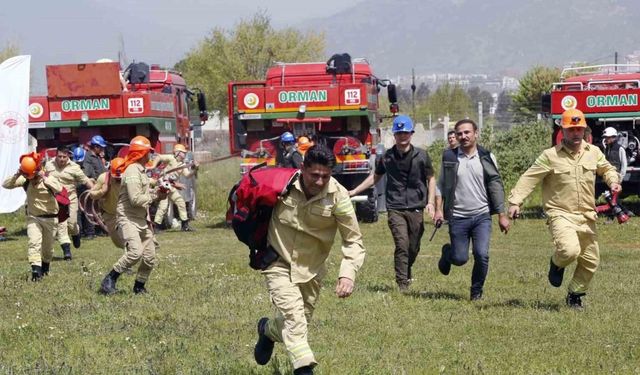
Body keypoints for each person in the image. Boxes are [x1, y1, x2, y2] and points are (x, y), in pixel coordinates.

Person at [253, 145, 366, 375]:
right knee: (295, 320)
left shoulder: (339, 197)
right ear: (302, 169)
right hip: (277, 262)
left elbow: (353, 240)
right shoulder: (282, 185)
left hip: (311, 271)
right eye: (314, 175)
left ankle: (267, 330)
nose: (319, 181)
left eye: (325, 176)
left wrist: (347, 273)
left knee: (297, 325)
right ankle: (304, 370)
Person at [508, 109, 621, 309]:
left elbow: (607, 169)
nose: (576, 134)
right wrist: (515, 201)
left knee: (590, 261)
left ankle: (575, 295)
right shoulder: (549, 156)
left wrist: (613, 181)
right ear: (563, 130)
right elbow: (529, 177)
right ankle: (557, 263)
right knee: (569, 251)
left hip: (587, 215)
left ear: (585, 129)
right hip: (560, 213)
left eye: (579, 129)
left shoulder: (593, 152)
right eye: (571, 130)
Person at [349, 114, 435, 291]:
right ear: (394, 135)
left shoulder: (422, 156)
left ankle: (406, 269)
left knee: (414, 247)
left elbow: (431, 178)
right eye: (399, 133)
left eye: (405, 133)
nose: (402, 136)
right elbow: (375, 177)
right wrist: (355, 191)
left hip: (416, 206)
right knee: (402, 244)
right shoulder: (386, 157)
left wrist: (431, 202)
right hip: (395, 207)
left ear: (411, 134)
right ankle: (402, 283)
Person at [433, 119, 510, 301]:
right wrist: (438, 209)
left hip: (481, 216)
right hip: (458, 217)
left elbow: (495, 185)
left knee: (481, 255)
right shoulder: (449, 157)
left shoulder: (486, 157)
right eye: (459, 133)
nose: (463, 136)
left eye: (467, 132)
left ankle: (476, 292)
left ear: (476, 133)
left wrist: (501, 214)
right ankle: (448, 253)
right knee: (460, 259)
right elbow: (441, 185)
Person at [100, 136, 166, 295]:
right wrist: (155, 196)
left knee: (150, 257)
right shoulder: (132, 171)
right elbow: (135, 199)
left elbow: (144, 193)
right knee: (135, 252)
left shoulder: (141, 171)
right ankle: (110, 279)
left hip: (142, 219)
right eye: (149, 152)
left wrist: (159, 192)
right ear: (142, 153)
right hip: (128, 218)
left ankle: (139, 286)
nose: (150, 155)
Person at [3, 152, 62, 280]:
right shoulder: (25, 179)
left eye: (30, 174)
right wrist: (17, 174)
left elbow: (59, 188)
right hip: (33, 218)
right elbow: (5, 184)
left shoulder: (48, 178)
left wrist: (44, 178)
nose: (29, 177)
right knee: (34, 243)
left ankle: (45, 266)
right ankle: (36, 272)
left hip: (50, 218)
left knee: (48, 249)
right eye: (26, 175)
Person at [44, 145, 94, 260]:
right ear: (56, 155)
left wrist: (96, 193)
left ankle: (76, 234)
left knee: (71, 224)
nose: (61, 159)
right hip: (56, 199)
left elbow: (86, 181)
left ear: (68, 156)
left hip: (70, 198)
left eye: (64, 157)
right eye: (59, 156)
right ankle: (67, 252)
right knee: (61, 225)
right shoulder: (48, 165)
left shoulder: (75, 167)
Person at [149, 143, 198, 232]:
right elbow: (159, 157)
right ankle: (156, 227)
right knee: (163, 207)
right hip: (163, 185)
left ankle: (185, 225)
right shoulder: (171, 158)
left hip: (171, 186)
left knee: (181, 202)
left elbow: (187, 175)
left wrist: (195, 170)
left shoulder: (182, 164)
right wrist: (153, 166)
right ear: (178, 153)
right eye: (183, 152)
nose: (185, 154)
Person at [88, 157, 125, 249]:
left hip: (125, 213)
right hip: (110, 214)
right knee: (118, 242)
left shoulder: (129, 177)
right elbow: (92, 194)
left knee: (129, 238)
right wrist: (103, 191)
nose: (118, 179)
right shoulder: (103, 178)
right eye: (115, 177)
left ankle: (134, 253)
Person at [83, 135, 108, 239]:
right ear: (96, 147)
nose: (102, 149)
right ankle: (90, 233)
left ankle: (100, 230)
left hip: (100, 185)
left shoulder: (97, 156)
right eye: (101, 147)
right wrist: (93, 185)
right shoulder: (88, 158)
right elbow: (88, 173)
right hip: (93, 186)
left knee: (100, 209)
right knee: (91, 209)